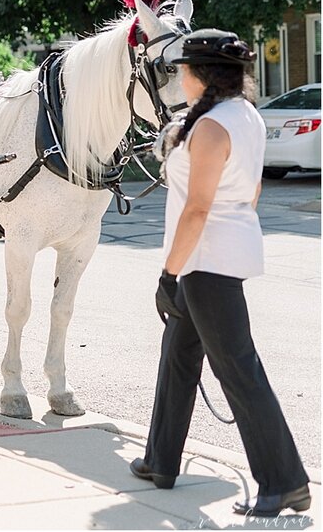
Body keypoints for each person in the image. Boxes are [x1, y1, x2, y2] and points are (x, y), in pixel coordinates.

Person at [129, 29, 311, 518]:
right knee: (178, 357)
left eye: (181, 70)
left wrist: (169, 276)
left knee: (238, 370)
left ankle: (285, 483)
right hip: (216, 256)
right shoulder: (244, 115)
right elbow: (249, 192)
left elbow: (197, 209)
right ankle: (160, 460)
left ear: (197, 75)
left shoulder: (211, 127)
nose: (178, 78)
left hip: (205, 262)